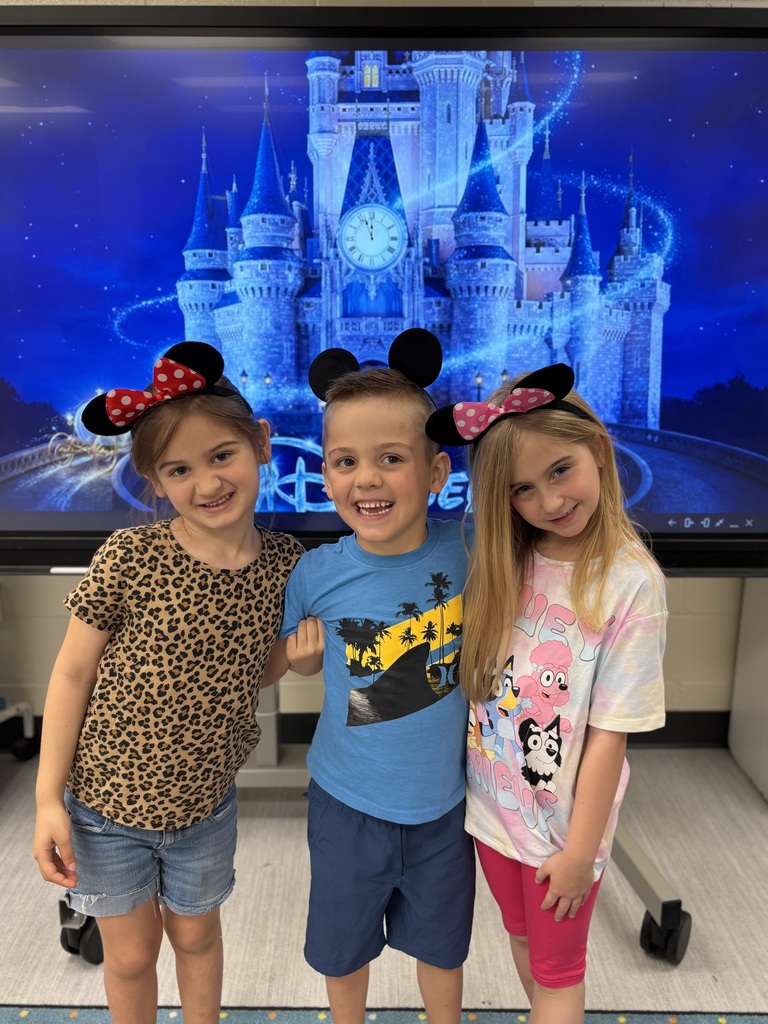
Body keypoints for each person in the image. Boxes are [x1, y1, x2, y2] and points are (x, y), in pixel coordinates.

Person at [33, 341, 303, 1024]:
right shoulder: (130, 555)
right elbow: (71, 675)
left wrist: (297, 660)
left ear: (261, 444)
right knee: (129, 956)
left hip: (205, 807)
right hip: (105, 810)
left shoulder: (285, 565)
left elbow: (247, 674)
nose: (207, 482)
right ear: (154, 481)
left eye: (221, 456)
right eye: (179, 469)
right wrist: (46, 800)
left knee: (197, 936)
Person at [426, 362, 667, 1024]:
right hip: (493, 812)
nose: (548, 502)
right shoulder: (512, 560)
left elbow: (610, 736)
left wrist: (580, 852)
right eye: (522, 490)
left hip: (564, 831)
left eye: (560, 471)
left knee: (558, 975)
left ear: (598, 449)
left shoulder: (629, 583)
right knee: (525, 944)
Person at [280, 329, 475, 1024]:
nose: (366, 479)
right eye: (345, 461)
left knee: (444, 950)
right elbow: (273, 662)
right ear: (326, 473)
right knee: (342, 950)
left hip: (445, 808)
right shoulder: (316, 573)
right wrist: (295, 661)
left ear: (435, 471)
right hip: (347, 805)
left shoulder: (472, 549)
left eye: (391, 459)